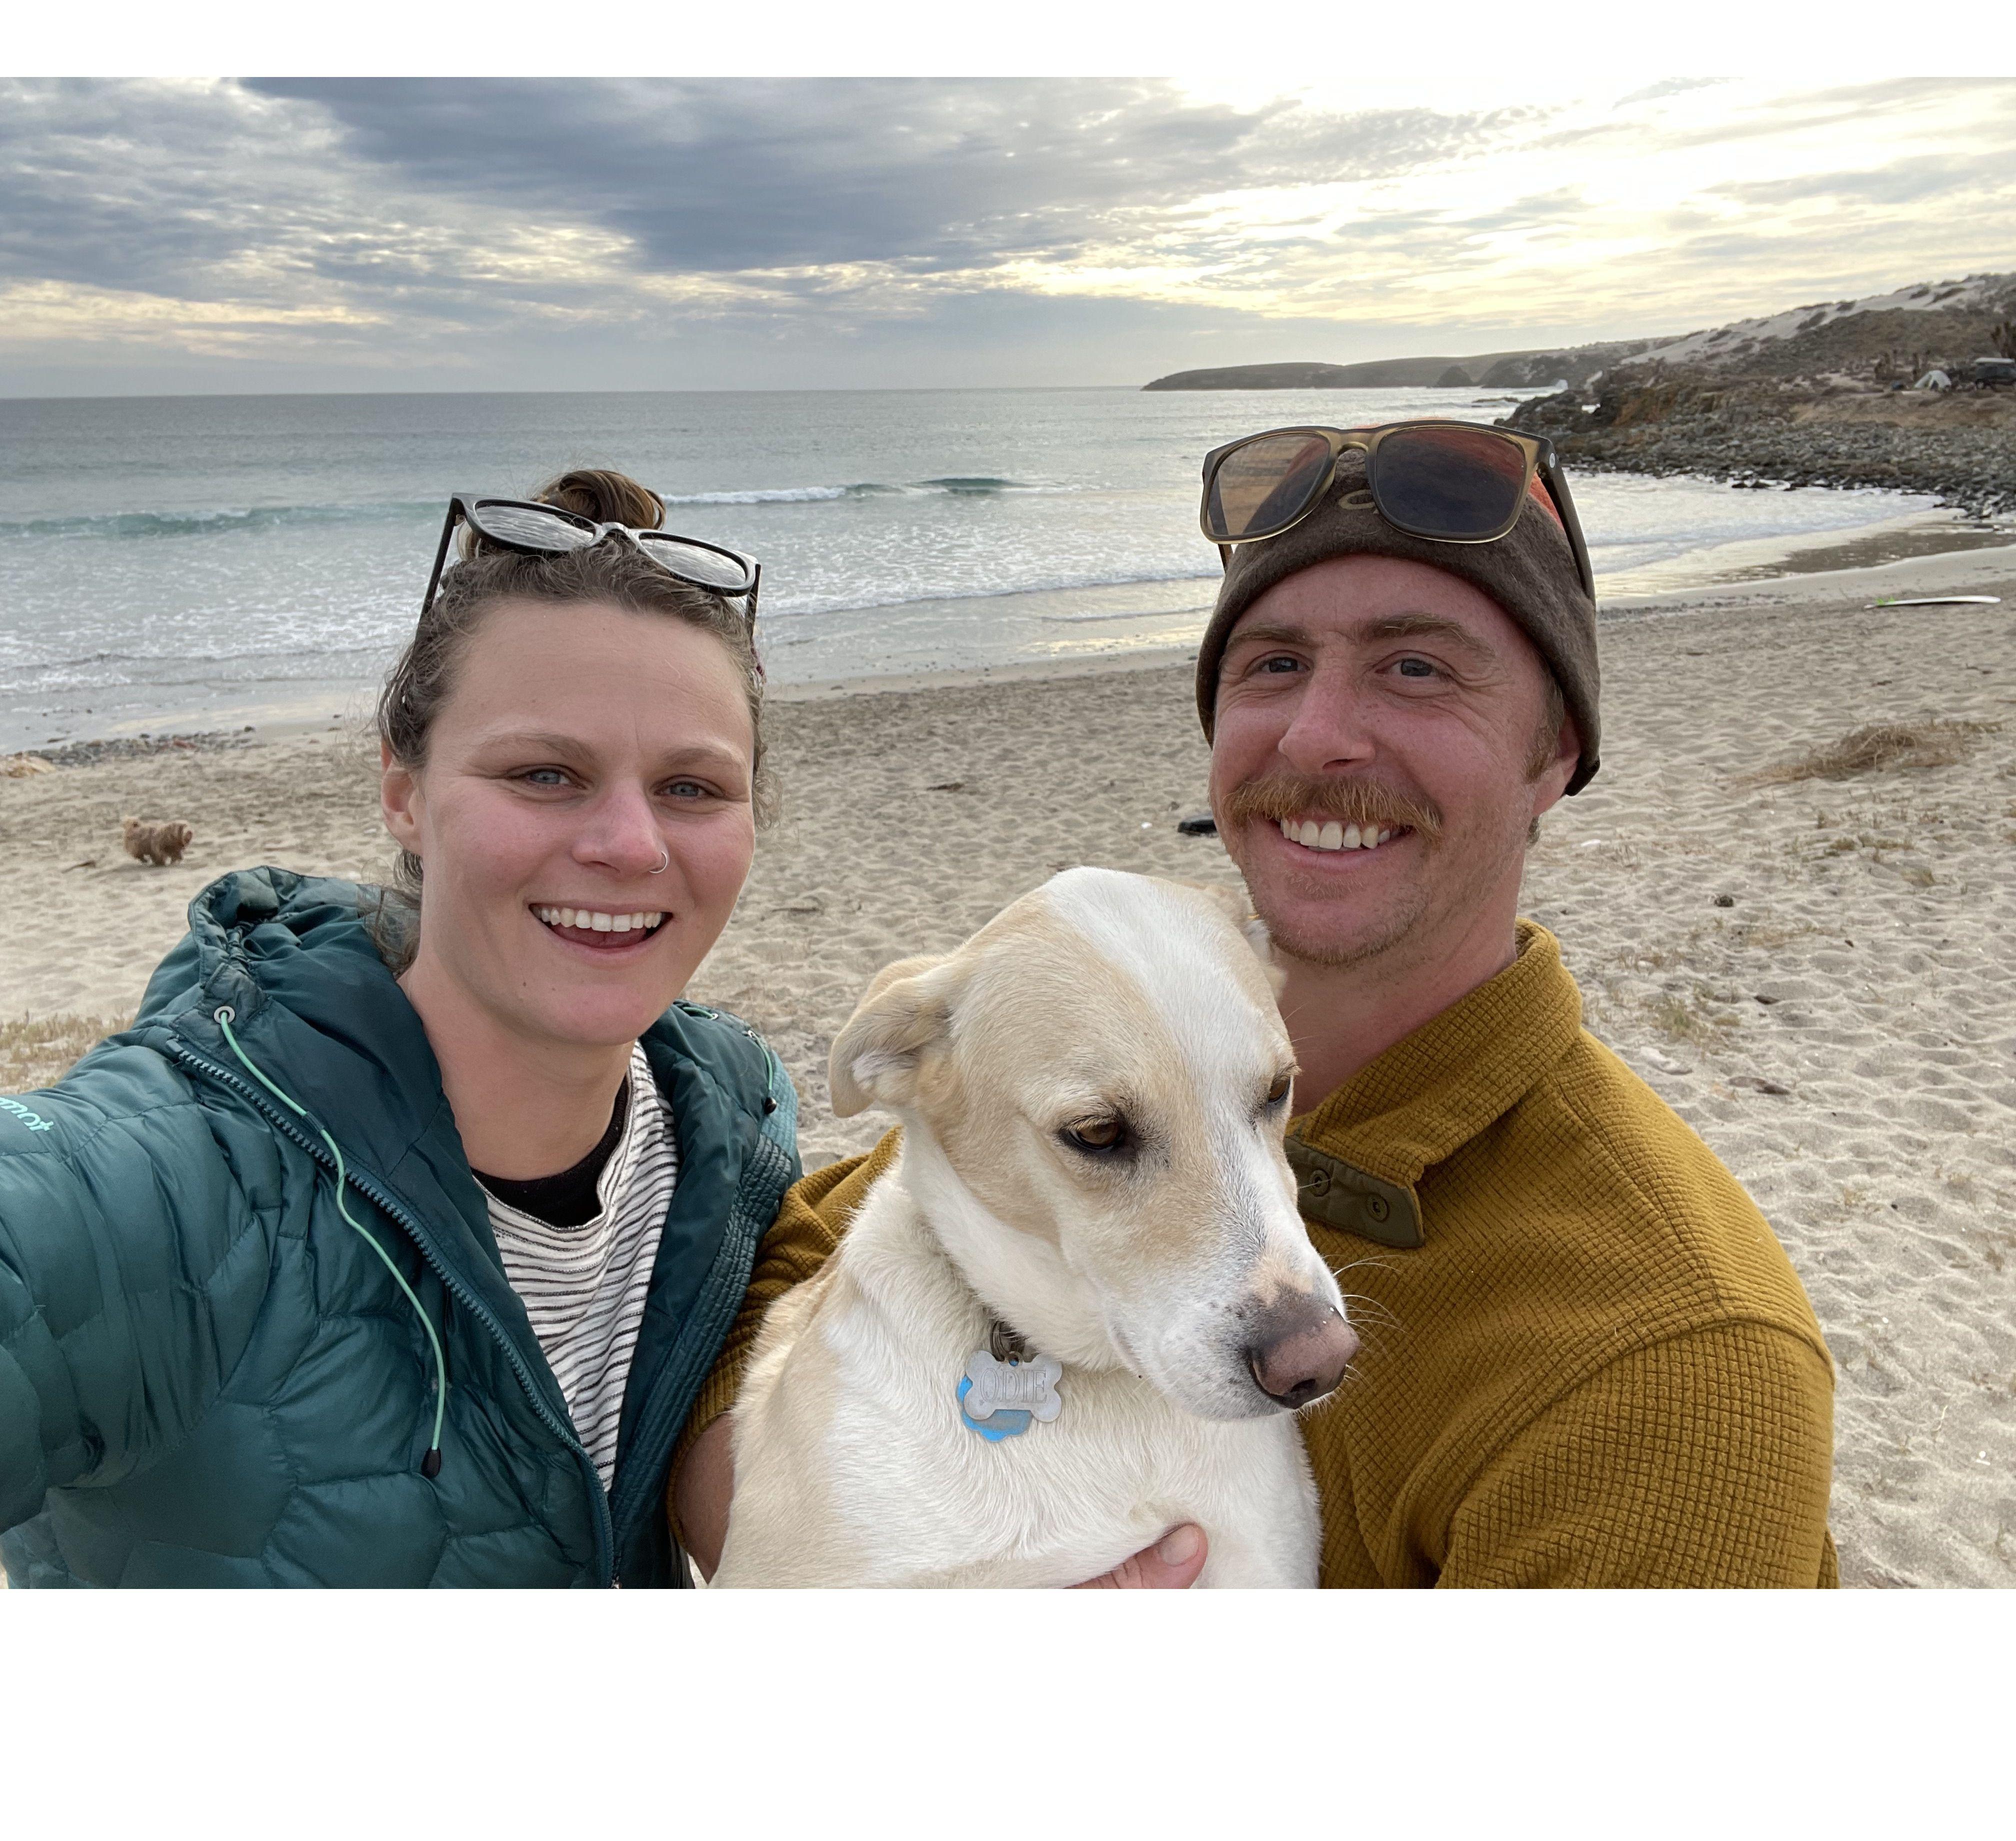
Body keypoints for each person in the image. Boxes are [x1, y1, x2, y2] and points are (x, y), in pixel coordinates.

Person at [672, 420, 1838, 1588]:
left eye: (1417, 666)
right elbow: (792, 1266)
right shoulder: (1104, 1029)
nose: (1320, 735)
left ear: (1556, 750)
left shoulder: (1681, 1362)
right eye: (1273, 665)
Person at [0, 470, 800, 1588]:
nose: (631, 845)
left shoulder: (742, 1126)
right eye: (545, 774)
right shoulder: (174, 1188)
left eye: (693, 788)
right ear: (405, 793)